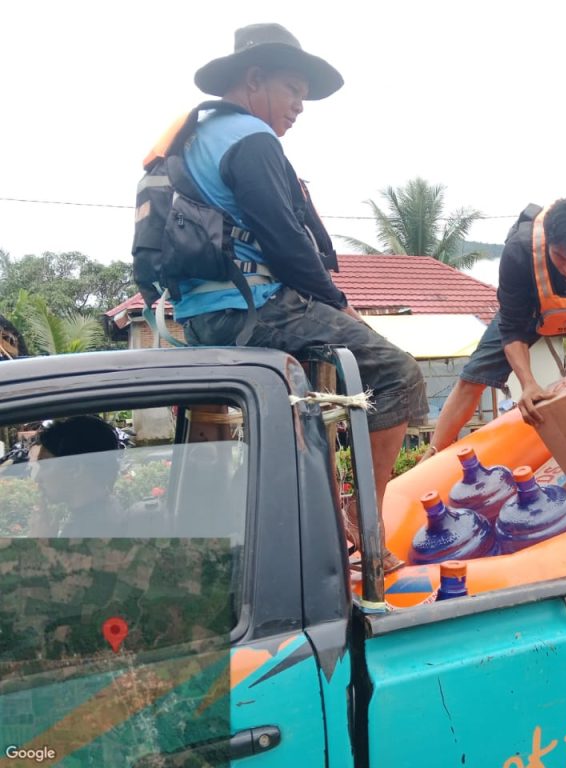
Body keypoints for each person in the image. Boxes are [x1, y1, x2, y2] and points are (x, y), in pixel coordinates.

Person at [166, 24, 426, 572]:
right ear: (254, 79)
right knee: (398, 372)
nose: (298, 107)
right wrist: (337, 301)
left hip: (203, 315)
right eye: (292, 90)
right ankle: (365, 537)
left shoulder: (197, 138)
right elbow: (285, 241)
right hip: (253, 310)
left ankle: (317, 527)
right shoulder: (250, 139)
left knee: (312, 410)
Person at [423, 196, 566, 459]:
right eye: (560, 257)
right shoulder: (519, 251)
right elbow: (511, 327)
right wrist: (528, 383)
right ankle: (431, 454)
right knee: (474, 376)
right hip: (530, 311)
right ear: (548, 240)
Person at [29, 416, 123, 537]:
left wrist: (40, 542)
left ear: (75, 470)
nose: (38, 478)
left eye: (45, 466)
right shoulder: (98, 515)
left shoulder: (92, 532)